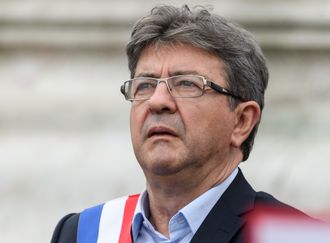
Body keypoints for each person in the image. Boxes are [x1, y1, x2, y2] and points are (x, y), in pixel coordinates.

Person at [51, 4, 310, 243]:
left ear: (241, 121)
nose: (157, 101)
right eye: (145, 85)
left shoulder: (290, 236)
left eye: (187, 83)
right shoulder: (83, 233)